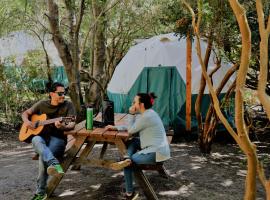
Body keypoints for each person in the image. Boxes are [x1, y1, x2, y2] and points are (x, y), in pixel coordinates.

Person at [106, 93, 171, 200]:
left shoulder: (147, 116)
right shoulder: (147, 114)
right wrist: (115, 128)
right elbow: (133, 127)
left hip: (156, 152)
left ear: (141, 104)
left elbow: (131, 131)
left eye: (134, 102)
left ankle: (130, 194)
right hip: (155, 147)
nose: (132, 104)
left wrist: (131, 114)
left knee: (128, 165)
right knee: (134, 141)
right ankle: (126, 157)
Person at [22, 82, 76, 200]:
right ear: (51, 94)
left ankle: (40, 192)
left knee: (43, 157)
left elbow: (72, 123)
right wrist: (27, 122)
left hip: (58, 140)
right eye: (60, 93)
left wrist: (63, 127)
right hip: (42, 139)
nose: (63, 95)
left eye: (64, 93)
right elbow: (25, 113)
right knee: (35, 138)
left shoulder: (68, 105)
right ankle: (55, 164)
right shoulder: (42, 104)